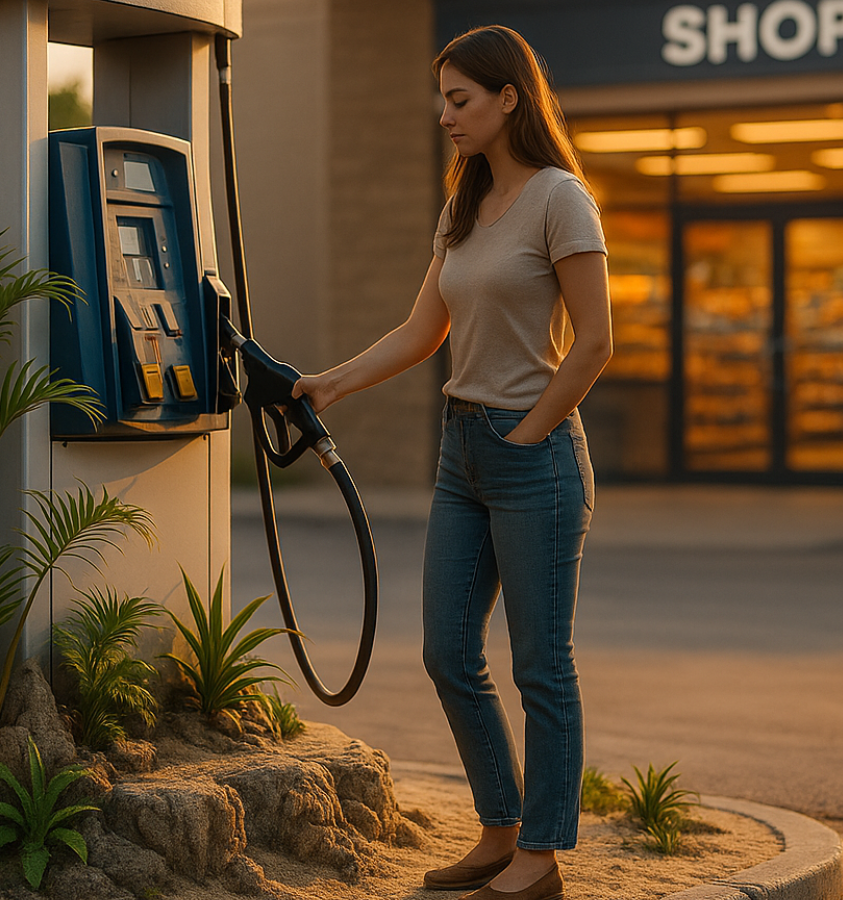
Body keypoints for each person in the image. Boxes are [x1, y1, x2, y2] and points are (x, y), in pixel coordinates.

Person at [292, 24, 610, 900]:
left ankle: (542, 856)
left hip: (531, 451)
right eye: (441, 99)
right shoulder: (464, 206)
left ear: (510, 97)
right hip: (459, 452)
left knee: (541, 664)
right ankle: (501, 829)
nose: (444, 115)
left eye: (460, 99)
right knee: (446, 652)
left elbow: (594, 345)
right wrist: (332, 383)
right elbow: (421, 329)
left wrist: (528, 432)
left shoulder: (560, 200)